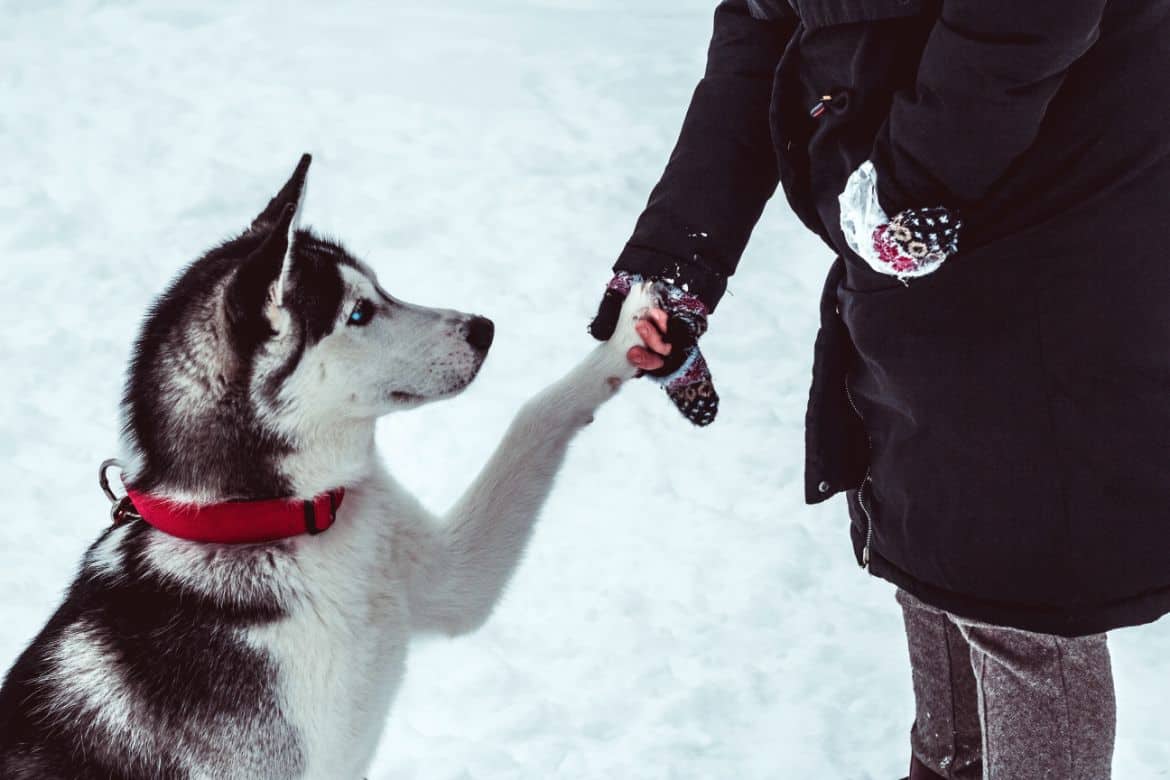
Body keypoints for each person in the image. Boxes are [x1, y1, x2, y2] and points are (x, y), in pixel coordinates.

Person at [586, 1, 1170, 777]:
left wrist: (909, 180)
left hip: (1056, 216)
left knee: (1020, 586)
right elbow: (763, 26)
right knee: (934, 533)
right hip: (908, 235)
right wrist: (676, 260)